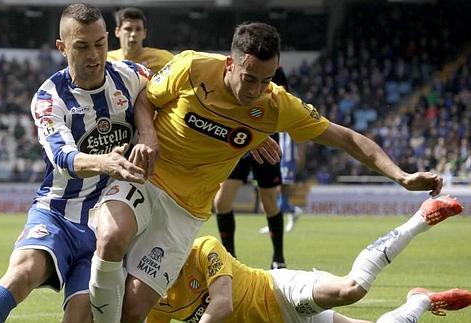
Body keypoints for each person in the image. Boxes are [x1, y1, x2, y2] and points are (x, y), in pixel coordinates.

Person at [89, 22, 443, 323]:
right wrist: (149, 136)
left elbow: (346, 138)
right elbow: (145, 99)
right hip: (146, 179)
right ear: (230, 63)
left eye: (267, 80)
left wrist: (401, 176)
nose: (257, 90)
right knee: (111, 238)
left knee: (134, 310)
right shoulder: (193, 67)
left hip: (185, 213)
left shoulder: (275, 106)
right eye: (250, 78)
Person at [0, 3, 154, 322]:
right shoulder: (49, 97)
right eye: (81, 46)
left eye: (100, 44)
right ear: (62, 47)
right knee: (22, 273)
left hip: (106, 224)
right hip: (58, 213)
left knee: (79, 316)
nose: (94, 55)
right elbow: (63, 157)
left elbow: (170, 100)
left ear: (109, 39)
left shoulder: (133, 77)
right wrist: (105, 163)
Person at [147, 196, 470, 323]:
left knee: (352, 289)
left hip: (280, 294)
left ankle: (420, 218)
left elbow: (222, 305)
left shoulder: (203, 248)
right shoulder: (153, 292)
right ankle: (422, 300)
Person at [214, 67, 291, 270]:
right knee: (221, 202)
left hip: (266, 143)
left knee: (269, 203)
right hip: (237, 143)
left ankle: (278, 259)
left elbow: (281, 105)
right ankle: (230, 259)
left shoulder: (277, 72)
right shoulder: (234, 70)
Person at [107, 7, 174, 74]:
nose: (133, 34)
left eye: (138, 29)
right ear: (117, 32)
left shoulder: (162, 58)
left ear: (144, 33)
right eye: (128, 29)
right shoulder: (108, 60)